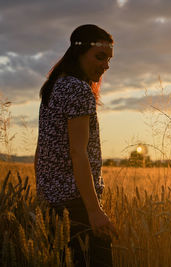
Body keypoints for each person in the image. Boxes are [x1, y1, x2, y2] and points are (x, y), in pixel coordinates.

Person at [34, 24, 116, 266]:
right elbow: (77, 152)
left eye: (109, 59)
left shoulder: (55, 85)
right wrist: (94, 210)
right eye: (99, 56)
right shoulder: (78, 89)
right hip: (77, 205)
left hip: (53, 203)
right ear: (78, 53)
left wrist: (43, 194)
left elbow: (42, 148)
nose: (105, 65)